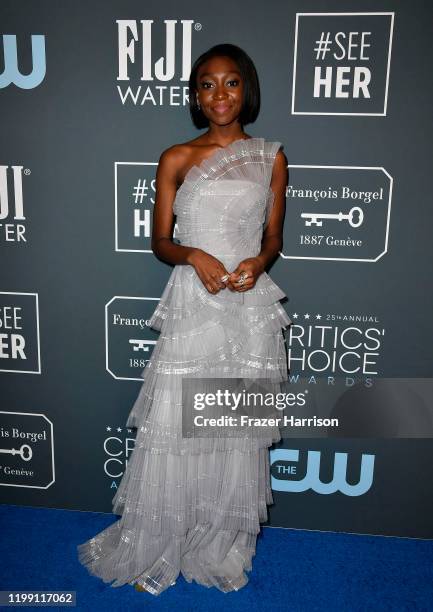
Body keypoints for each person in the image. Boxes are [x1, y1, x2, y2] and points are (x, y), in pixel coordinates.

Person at [77, 42, 292, 595]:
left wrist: (257, 262)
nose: (219, 94)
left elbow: (272, 239)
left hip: (246, 306)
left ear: (247, 89)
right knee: (177, 424)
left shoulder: (271, 157)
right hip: (193, 305)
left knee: (233, 428)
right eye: (206, 84)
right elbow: (160, 242)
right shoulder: (175, 157)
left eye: (231, 82)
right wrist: (193, 255)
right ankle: (165, 533)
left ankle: (218, 537)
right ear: (195, 95)